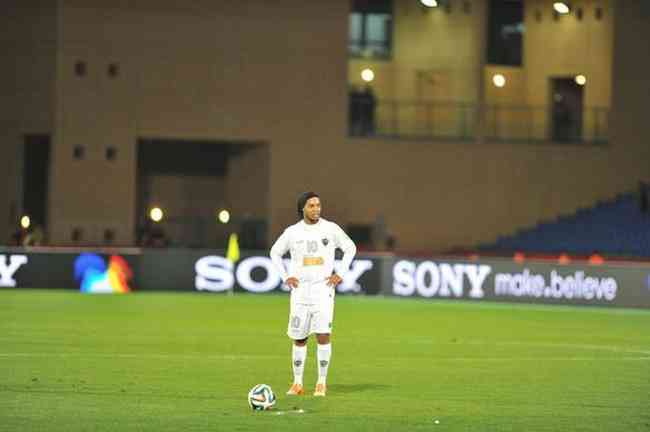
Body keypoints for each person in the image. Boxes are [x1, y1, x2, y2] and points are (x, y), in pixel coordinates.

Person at [270, 192, 356, 397]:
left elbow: (350, 248)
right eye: (312, 205)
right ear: (302, 208)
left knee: (323, 335)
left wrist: (340, 273)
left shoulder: (330, 228)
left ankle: (321, 382)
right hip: (300, 293)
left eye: (318, 205)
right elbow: (275, 252)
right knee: (299, 338)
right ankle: (298, 383)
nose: (316, 209)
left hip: (323, 290)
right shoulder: (292, 232)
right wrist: (285, 276)